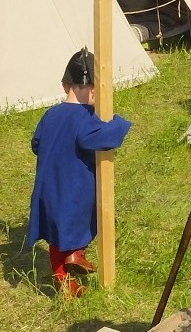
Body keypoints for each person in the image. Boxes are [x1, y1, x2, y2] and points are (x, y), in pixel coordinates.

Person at [28, 48, 132, 296]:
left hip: (47, 187)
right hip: (75, 188)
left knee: (55, 234)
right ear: (94, 88)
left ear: (66, 86)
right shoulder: (86, 117)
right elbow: (96, 138)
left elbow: (36, 143)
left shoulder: (50, 114)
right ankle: (76, 253)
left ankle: (64, 283)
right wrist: (119, 123)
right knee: (81, 220)